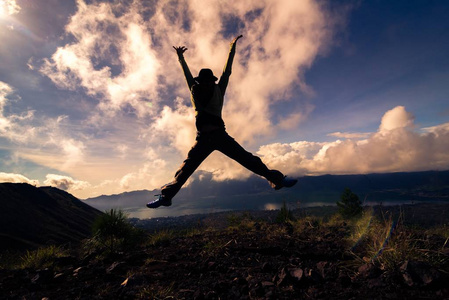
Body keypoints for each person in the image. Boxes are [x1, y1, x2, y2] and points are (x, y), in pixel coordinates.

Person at [147, 35, 297, 209]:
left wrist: (232, 48)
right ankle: (166, 197)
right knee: (185, 170)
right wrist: (180, 57)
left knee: (248, 159)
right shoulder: (194, 90)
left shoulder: (219, 89)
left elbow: (227, 72)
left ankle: (278, 180)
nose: (206, 84)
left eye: (209, 81)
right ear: (200, 82)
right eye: (203, 81)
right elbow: (187, 75)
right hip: (203, 138)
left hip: (220, 135)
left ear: (212, 81)